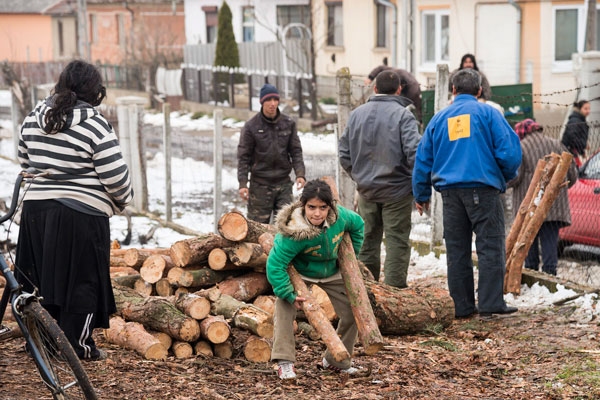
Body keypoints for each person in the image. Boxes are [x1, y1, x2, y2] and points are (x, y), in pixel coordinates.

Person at [16, 60, 133, 360]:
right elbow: (116, 177)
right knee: (82, 281)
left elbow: (25, 161)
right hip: (80, 215)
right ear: (94, 91)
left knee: (41, 279)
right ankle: (78, 348)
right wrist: (121, 200)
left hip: (35, 213)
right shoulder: (94, 125)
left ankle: (41, 345)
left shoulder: (33, 118)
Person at [412, 68, 522, 319]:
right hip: (483, 189)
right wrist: (502, 176)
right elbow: (510, 153)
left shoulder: (439, 119)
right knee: (490, 246)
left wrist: (421, 194)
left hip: (450, 194)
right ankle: (490, 303)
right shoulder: (489, 114)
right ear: (480, 90)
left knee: (457, 249)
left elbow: (423, 159)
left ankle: (461, 306)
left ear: (453, 90)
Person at [266, 179, 367, 380]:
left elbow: (359, 225)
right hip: (301, 272)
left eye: (323, 207)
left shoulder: (341, 218)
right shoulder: (293, 233)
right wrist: (288, 293)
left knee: (353, 310)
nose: (317, 213)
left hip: (332, 270)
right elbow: (275, 265)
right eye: (311, 207)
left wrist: (349, 258)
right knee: (284, 306)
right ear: (303, 205)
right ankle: (284, 361)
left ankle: (335, 362)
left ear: (330, 207)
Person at [340, 70, 421, 288]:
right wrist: (418, 185)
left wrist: (358, 177)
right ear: (399, 89)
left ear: (374, 88)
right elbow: (415, 154)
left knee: (367, 241)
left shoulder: (357, 114)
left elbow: (344, 153)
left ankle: (367, 291)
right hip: (397, 191)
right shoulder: (404, 116)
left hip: (367, 190)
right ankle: (394, 293)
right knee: (396, 242)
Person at [509, 119, 578, 276]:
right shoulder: (557, 144)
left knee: (528, 244)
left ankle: (531, 273)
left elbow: (515, 177)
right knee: (550, 243)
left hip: (530, 207)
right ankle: (550, 276)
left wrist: (501, 182)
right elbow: (572, 174)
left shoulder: (521, 147)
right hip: (554, 205)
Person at [237, 83, 306, 223]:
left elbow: (296, 151)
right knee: (257, 229)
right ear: (262, 102)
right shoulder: (251, 126)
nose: (272, 103)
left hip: (284, 184)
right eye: (268, 100)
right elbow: (243, 157)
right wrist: (243, 183)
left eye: (275, 99)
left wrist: (300, 174)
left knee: (286, 227)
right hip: (260, 186)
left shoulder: (288, 123)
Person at [562, 100, 591, 167]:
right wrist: (583, 145)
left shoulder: (580, 120)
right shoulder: (575, 121)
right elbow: (572, 138)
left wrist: (582, 151)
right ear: (580, 109)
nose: (588, 111)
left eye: (589, 108)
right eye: (585, 109)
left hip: (574, 151)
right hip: (571, 153)